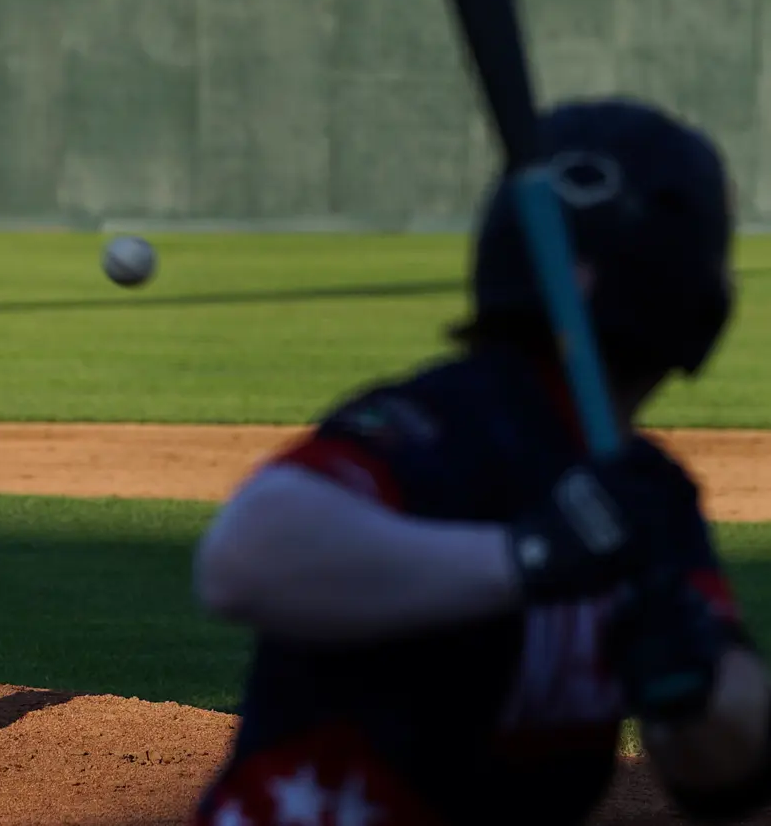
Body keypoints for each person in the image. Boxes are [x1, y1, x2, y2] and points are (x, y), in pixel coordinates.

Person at [191, 99, 771, 826]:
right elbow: (242, 560)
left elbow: (728, 780)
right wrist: (533, 555)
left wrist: (693, 678)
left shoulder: (642, 494)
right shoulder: (451, 424)